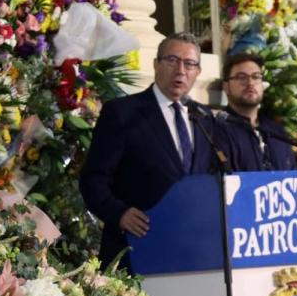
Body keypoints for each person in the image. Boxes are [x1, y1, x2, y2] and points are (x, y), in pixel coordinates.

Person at [79, 32, 219, 273]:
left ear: (197, 72)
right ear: (156, 64)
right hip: (136, 248)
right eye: (172, 60)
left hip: (194, 253)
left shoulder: (205, 118)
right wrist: (119, 213)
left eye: (189, 63)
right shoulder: (123, 113)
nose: (180, 70)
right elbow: (93, 179)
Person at [218, 52, 297, 171]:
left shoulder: (277, 132)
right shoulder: (218, 130)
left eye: (256, 77)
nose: (250, 83)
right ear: (226, 87)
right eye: (241, 77)